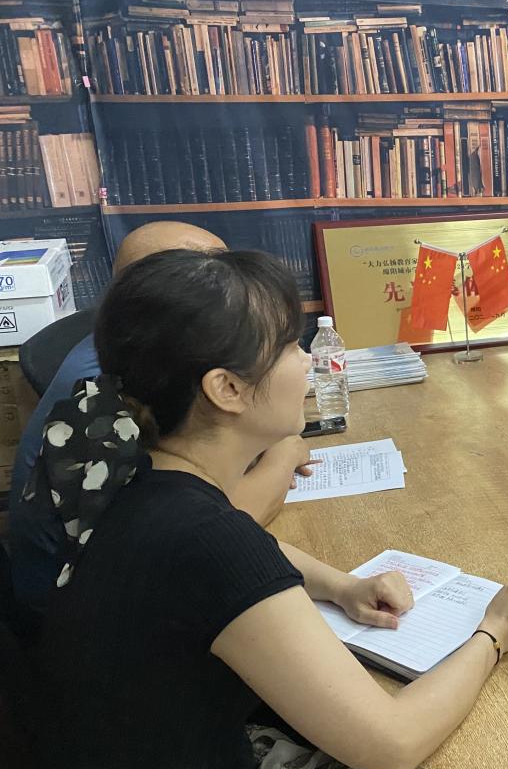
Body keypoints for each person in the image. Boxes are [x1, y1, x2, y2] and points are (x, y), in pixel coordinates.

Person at [26, 249, 508, 769]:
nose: (308, 360)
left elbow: (243, 548)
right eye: (288, 347)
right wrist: (495, 633)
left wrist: (341, 586)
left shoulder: (137, 478)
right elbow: (393, 743)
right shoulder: (206, 539)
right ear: (226, 388)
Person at [6, 222, 312, 614]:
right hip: (74, 620)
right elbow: (213, 528)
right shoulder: (107, 398)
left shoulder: (139, 360)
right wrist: (285, 453)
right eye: (210, 275)